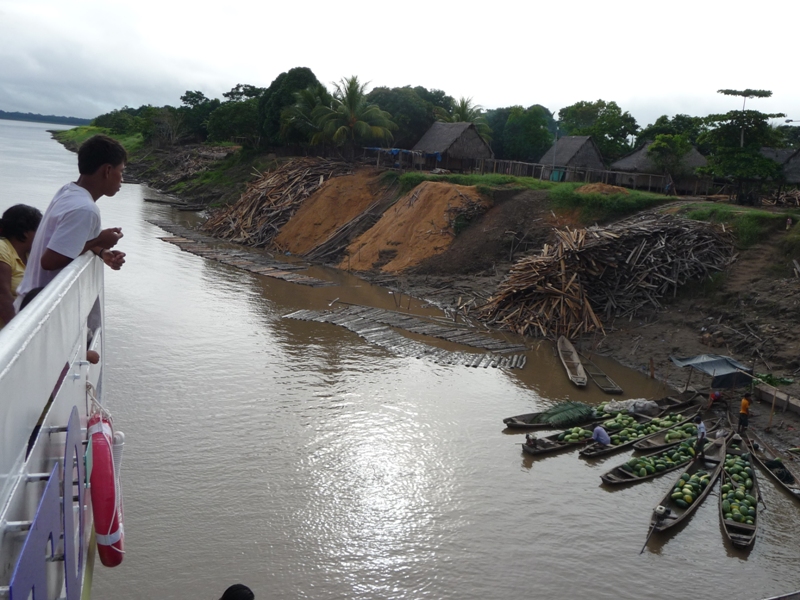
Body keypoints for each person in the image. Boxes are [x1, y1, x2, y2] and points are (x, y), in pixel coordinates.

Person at [15, 135, 127, 310]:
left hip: (29, 300)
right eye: (121, 171)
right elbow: (50, 261)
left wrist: (102, 251)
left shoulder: (68, 192)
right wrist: (99, 240)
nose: (122, 179)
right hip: (40, 308)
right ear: (107, 170)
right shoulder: (85, 209)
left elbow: (67, 242)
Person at [0, 204, 42, 328]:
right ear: (25, 232)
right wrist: (16, 332)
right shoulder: (3, 249)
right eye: (39, 231)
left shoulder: (29, 255)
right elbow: (3, 296)